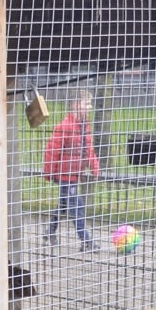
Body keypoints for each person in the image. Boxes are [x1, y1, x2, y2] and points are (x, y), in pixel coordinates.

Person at [42, 89, 101, 251]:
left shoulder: (84, 127)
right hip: (65, 175)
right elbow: (52, 150)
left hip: (75, 174)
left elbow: (88, 149)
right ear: (75, 105)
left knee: (63, 205)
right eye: (86, 104)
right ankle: (86, 241)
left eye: (90, 104)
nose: (89, 107)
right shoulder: (65, 126)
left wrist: (94, 167)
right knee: (77, 207)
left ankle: (50, 231)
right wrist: (49, 172)